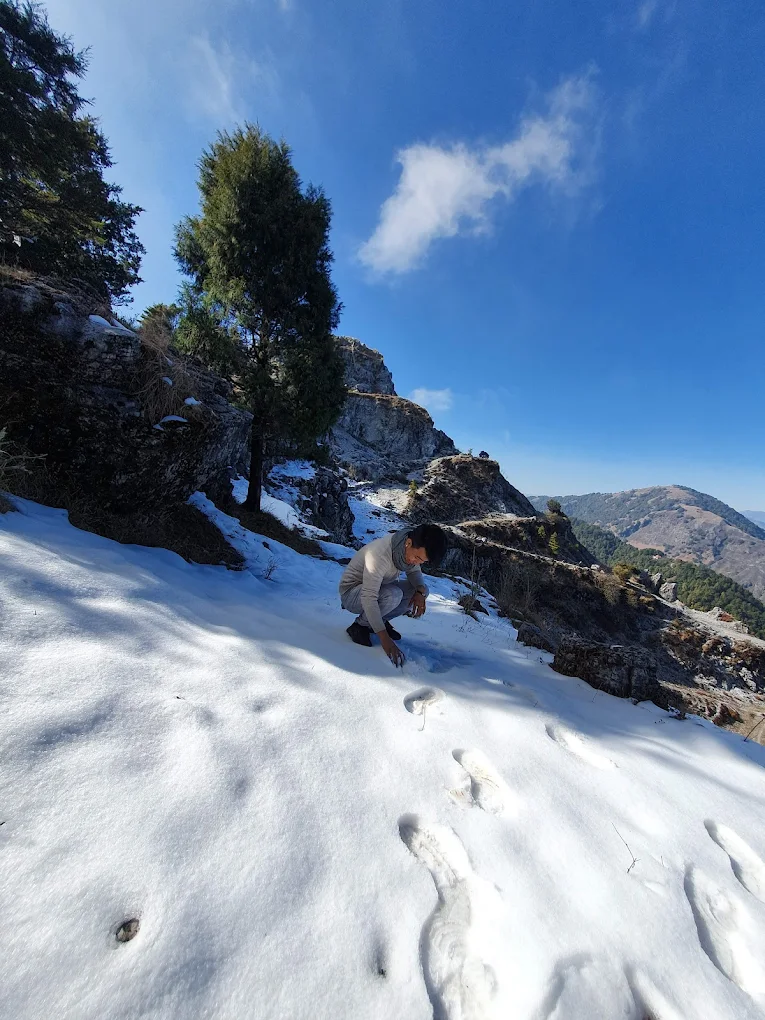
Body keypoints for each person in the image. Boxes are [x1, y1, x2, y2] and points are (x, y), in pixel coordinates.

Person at [339, 523, 448, 667]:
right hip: (352, 594)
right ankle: (359, 626)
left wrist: (420, 592)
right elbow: (369, 597)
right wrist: (384, 640)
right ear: (408, 543)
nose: (417, 562)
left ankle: (378, 621)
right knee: (393, 595)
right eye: (417, 557)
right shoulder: (380, 556)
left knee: (421, 590)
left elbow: (414, 572)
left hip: (377, 589)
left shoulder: (408, 546)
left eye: (423, 561)